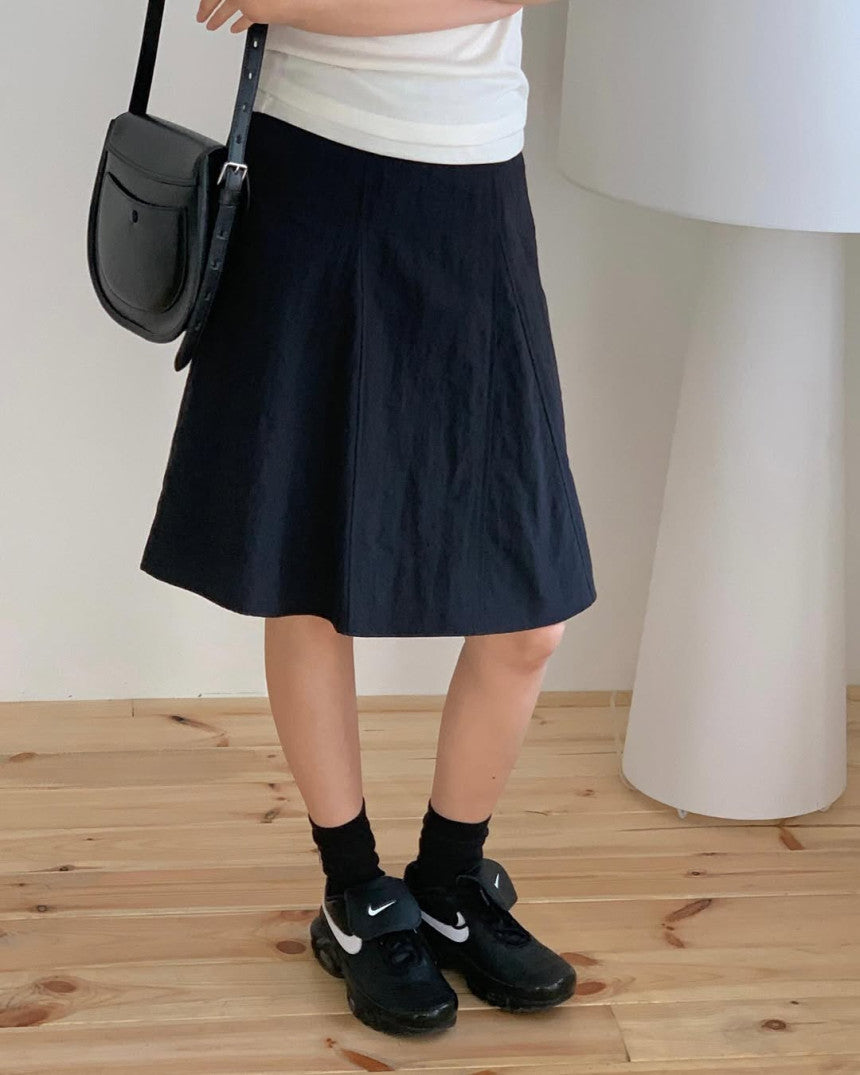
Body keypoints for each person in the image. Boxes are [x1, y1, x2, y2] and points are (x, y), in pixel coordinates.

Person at [140, 0, 597, 1037]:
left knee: (530, 615)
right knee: (305, 566)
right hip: (312, 175)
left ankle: (447, 881)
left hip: (474, 189)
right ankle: (355, 892)